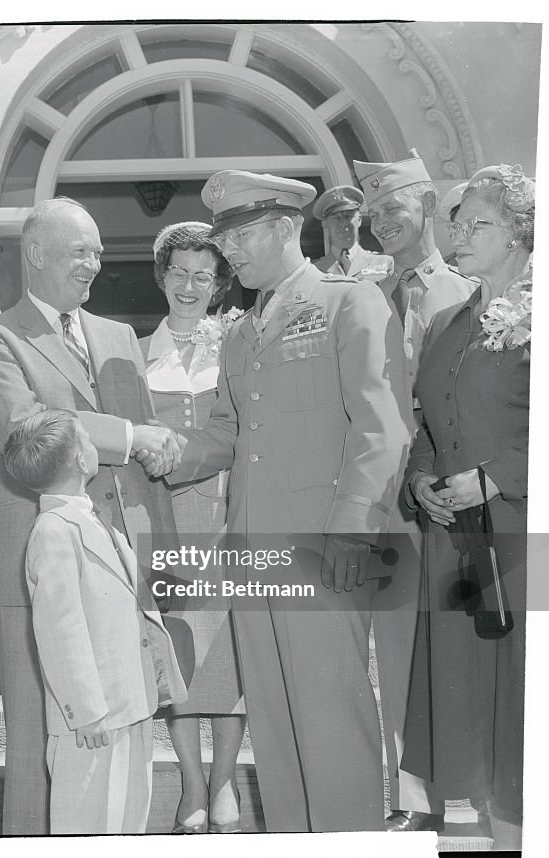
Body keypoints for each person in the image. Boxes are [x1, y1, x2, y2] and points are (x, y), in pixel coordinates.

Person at [166, 171, 412, 832]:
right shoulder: (242, 332)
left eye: (241, 236)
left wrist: (351, 533)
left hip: (324, 549)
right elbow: (226, 433)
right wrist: (157, 448)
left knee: (331, 724)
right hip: (255, 553)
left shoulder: (349, 302)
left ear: (284, 228)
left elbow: (382, 428)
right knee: (274, 728)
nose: (231, 253)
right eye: (225, 240)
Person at [0, 197, 180, 835]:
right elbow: (22, 428)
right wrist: (131, 436)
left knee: (125, 722)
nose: (94, 264)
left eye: (98, 253)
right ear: (34, 253)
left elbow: (149, 446)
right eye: (80, 251)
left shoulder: (118, 338)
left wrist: (160, 544)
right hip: (40, 547)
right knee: (39, 736)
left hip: (120, 557)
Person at [400, 164, 532, 851]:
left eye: (477, 222)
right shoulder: (451, 319)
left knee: (516, 701)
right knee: (467, 701)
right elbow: (428, 421)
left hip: (519, 534)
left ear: (520, 234)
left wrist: (499, 476)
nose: (460, 233)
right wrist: (421, 478)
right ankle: (482, 834)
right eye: (456, 221)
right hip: (455, 541)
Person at [351, 153, 476, 833]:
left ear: (428, 206)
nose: (380, 222)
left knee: (455, 643)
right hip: (383, 495)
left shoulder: (460, 293)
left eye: (393, 208)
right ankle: (414, 798)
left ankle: (463, 790)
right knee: (397, 649)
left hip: (446, 497)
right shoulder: (365, 295)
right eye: (372, 213)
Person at [4, 408, 187, 834]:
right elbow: (59, 630)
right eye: (88, 438)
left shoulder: (87, 517)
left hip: (129, 702)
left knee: (127, 818)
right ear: (83, 463)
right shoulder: (53, 529)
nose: (94, 445)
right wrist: (84, 711)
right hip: (92, 718)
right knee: (86, 823)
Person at [137, 221, 246, 834]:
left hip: (228, 517)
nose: (189, 285)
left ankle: (225, 781)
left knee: (227, 659)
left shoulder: (236, 343)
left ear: (218, 281)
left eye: (203, 275)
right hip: (164, 519)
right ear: (161, 276)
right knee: (178, 655)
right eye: (178, 272)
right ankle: (190, 783)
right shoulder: (130, 349)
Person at [310, 184, 392, 282]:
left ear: (359, 220)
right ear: (325, 224)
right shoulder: (313, 271)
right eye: (337, 218)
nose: (343, 223)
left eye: (348, 216)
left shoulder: (385, 263)